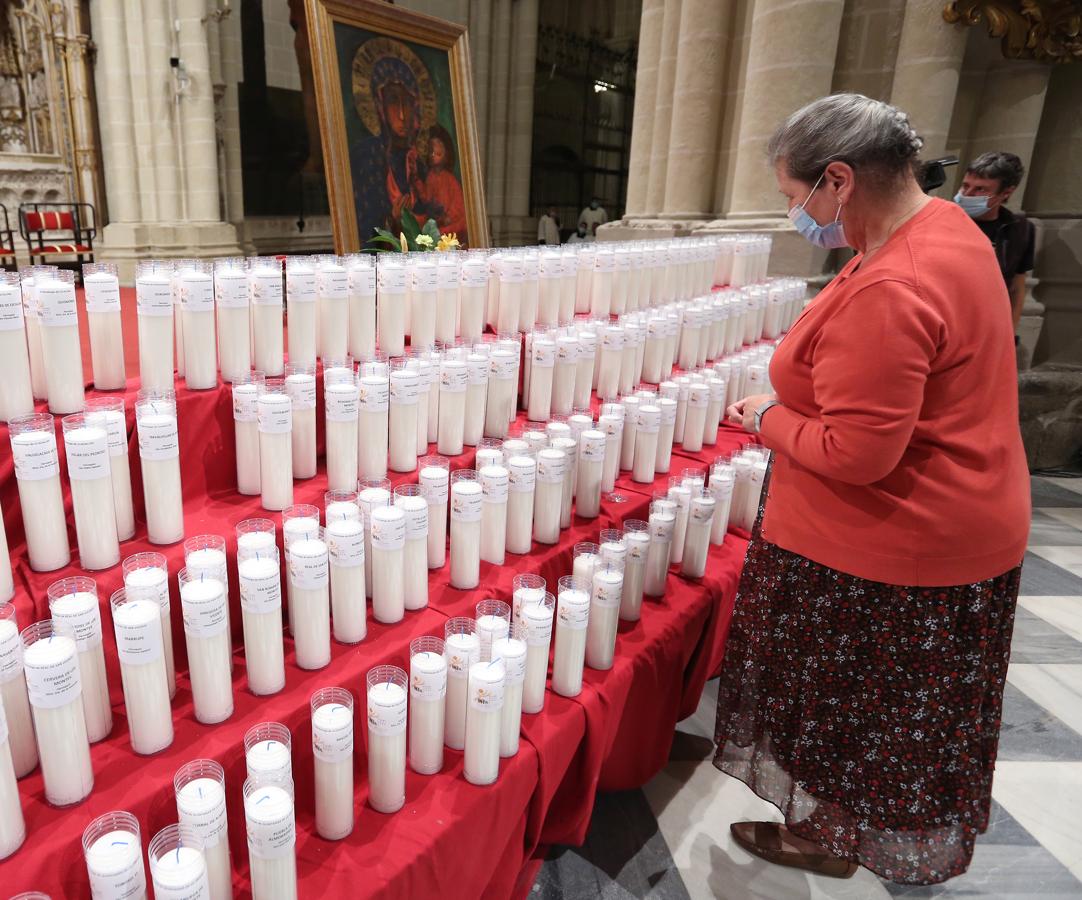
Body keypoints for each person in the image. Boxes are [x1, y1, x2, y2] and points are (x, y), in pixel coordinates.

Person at [715, 94, 1030, 886]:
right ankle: (840, 828)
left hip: (895, 541)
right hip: (963, 517)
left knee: (850, 704)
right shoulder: (945, 229)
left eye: (796, 198)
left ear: (840, 179)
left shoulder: (898, 282)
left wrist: (769, 417)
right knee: (883, 713)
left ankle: (827, 839)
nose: (799, 216)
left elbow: (857, 453)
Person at [955, 151, 1035, 334]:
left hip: (985, 327)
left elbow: (1016, 287)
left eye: (980, 189)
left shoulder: (1020, 229)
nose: (968, 194)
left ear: (1006, 192)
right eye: (965, 185)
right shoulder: (942, 220)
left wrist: (1009, 334)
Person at [412, 123, 468, 243]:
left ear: (446, 154)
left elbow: (459, 206)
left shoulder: (450, 179)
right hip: (436, 220)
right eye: (431, 153)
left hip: (449, 223)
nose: (433, 156)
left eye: (438, 154)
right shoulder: (430, 177)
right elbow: (426, 198)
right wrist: (417, 183)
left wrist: (448, 217)